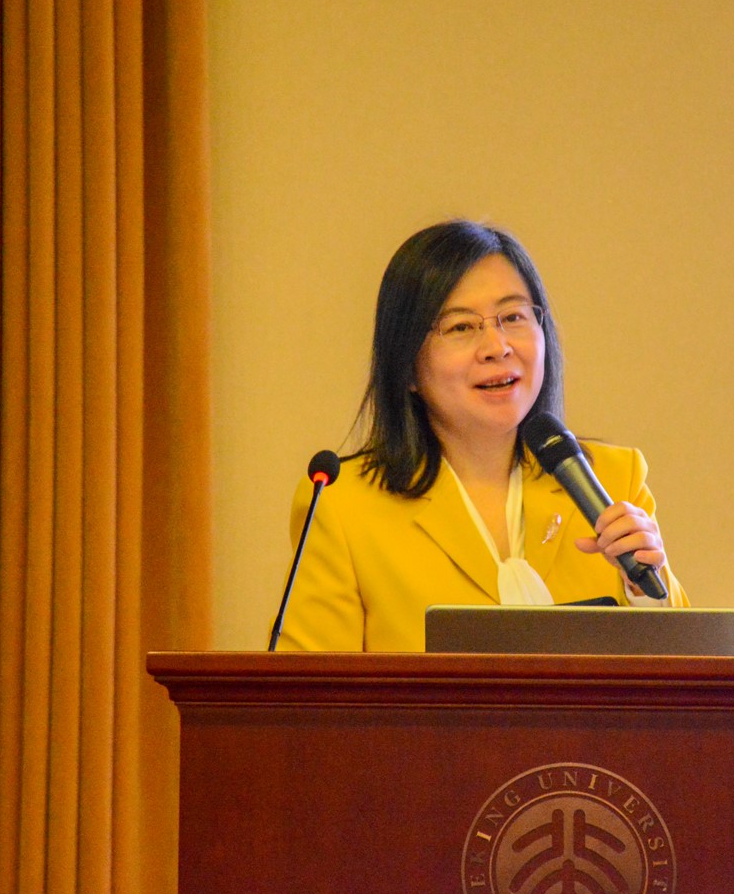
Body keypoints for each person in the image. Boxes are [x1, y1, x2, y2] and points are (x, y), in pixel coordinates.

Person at [277, 220, 689, 651]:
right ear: (407, 366)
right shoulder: (342, 506)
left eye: (513, 317)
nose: (497, 346)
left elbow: (689, 670)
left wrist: (645, 590)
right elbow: (312, 687)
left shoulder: (613, 480)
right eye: (460, 327)